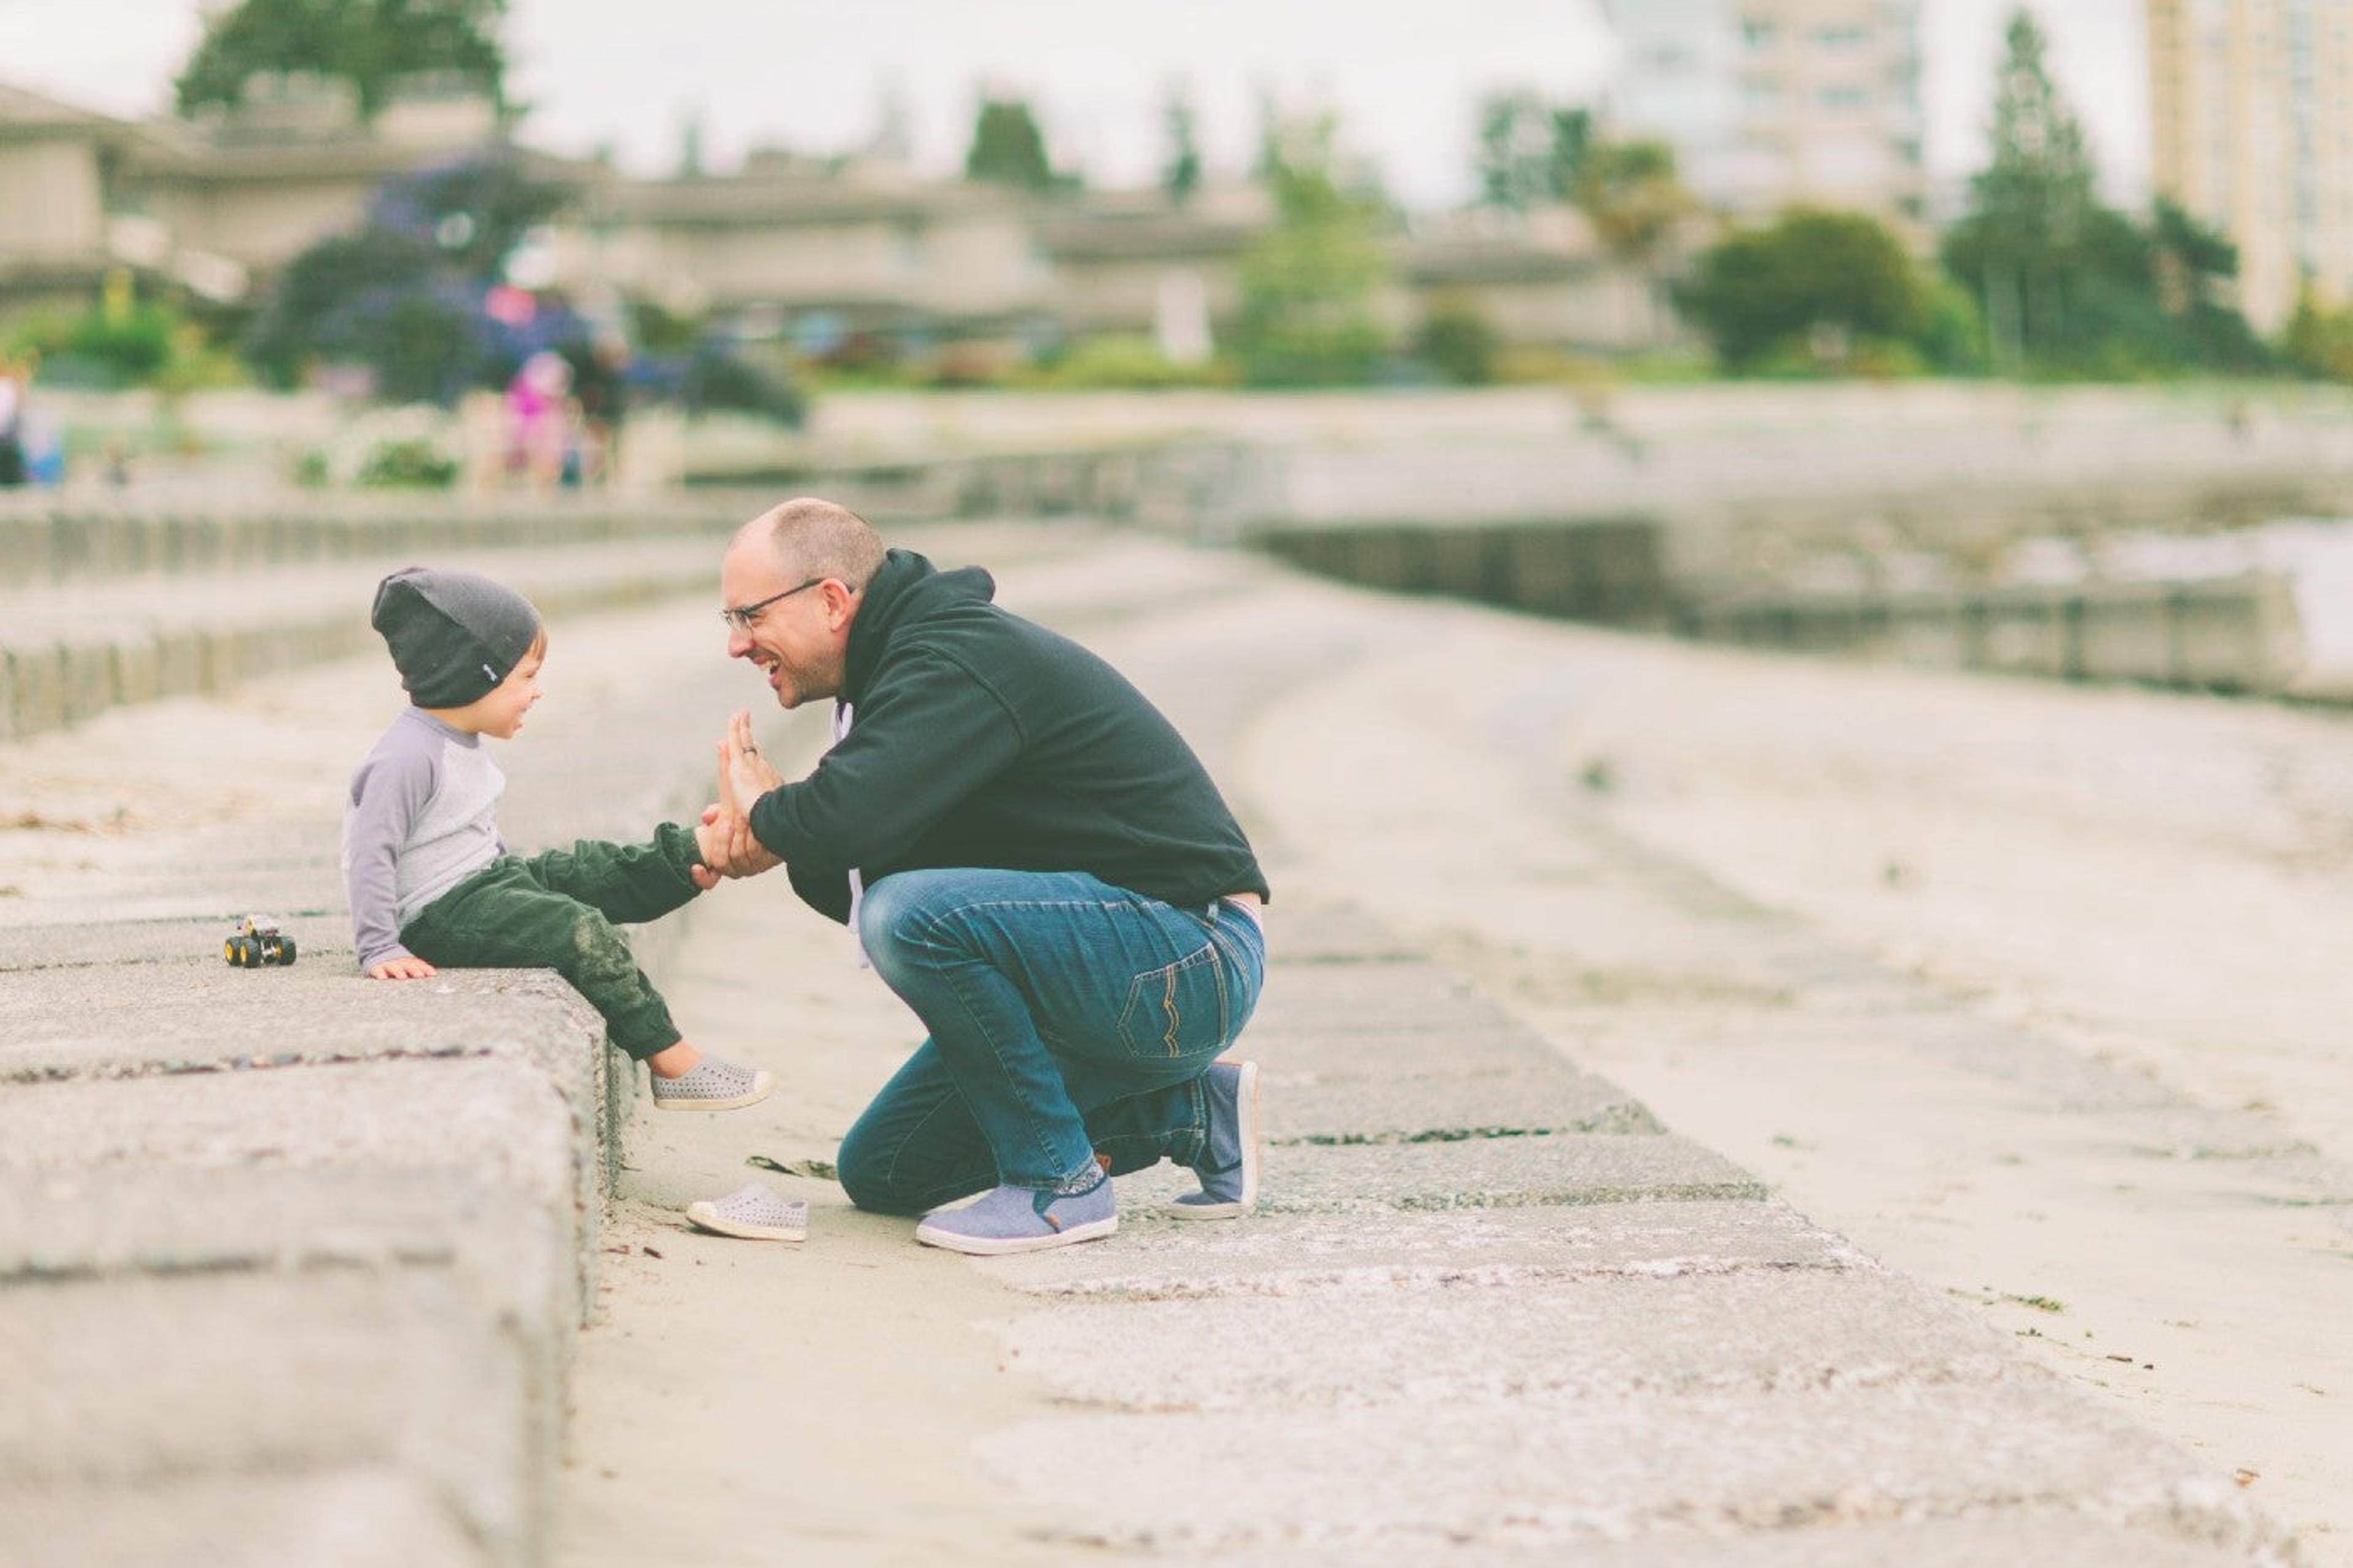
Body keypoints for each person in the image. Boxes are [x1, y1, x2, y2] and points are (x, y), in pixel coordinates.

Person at [697, 498, 1268, 1256]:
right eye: (729, 621)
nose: (738, 645)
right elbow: (847, 862)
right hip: (1128, 962)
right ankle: (1190, 1110)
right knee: (887, 1170)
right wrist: (774, 831)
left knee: (909, 915)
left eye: (750, 617)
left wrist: (772, 818)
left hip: (1188, 952)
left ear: (832, 601)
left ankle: (1058, 1187)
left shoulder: (952, 661)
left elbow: (854, 835)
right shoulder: (897, 673)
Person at [343, 566, 780, 1121]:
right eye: (525, 677)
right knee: (577, 930)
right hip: (437, 916)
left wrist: (518, 878)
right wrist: (380, 945)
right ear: (473, 676)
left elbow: (466, 831)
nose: (537, 691)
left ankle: (697, 852)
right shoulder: (405, 757)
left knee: (591, 869)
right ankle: (671, 1060)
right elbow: (369, 851)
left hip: (482, 882)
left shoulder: (461, 739)